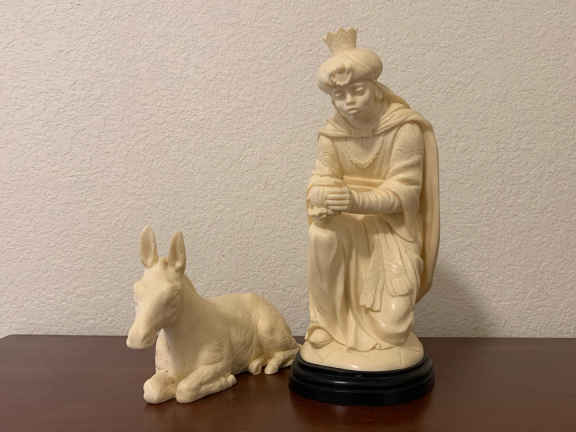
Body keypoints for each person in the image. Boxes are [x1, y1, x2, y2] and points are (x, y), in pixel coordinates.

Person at [303, 28, 439, 369]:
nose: (348, 101)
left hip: (390, 230)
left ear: (376, 89)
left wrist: (354, 200)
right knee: (320, 235)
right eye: (339, 95)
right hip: (346, 226)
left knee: (393, 330)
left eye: (357, 91)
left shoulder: (403, 128)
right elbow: (320, 179)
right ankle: (326, 325)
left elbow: (405, 192)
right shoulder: (331, 134)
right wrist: (321, 195)